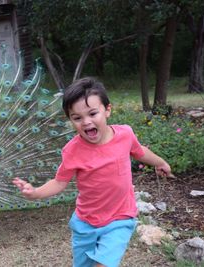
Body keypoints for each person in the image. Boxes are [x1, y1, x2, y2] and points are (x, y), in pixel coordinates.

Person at [12, 77, 172, 267]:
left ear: (107, 110)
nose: (86, 122)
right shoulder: (72, 151)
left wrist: (160, 162)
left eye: (92, 113)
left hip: (120, 219)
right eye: (77, 118)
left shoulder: (125, 135)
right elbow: (59, 182)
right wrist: (36, 192)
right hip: (86, 223)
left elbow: (140, 152)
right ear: (70, 119)